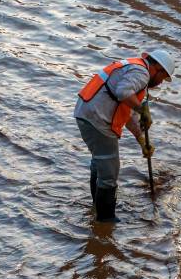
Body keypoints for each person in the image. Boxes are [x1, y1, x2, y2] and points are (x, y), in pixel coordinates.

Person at [74, 49, 174, 223]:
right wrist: (142, 109)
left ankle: (97, 208)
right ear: (157, 68)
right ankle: (105, 220)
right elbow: (123, 92)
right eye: (163, 78)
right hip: (98, 118)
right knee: (109, 171)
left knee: (100, 163)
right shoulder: (142, 72)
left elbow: (128, 112)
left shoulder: (134, 67)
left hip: (88, 113)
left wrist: (142, 141)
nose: (160, 84)